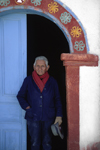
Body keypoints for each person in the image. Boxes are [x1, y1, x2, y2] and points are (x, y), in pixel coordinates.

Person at [17, 56, 63, 150]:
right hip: (33, 117)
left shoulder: (52, 82)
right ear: (34, 67)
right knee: (34, 143)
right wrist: (27, 108)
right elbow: (20, 96)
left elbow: (57, 99)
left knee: (47, 143)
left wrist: (59, 115)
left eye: (42, 66)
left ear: (47, 67)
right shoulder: (28, 80)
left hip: (48, 117)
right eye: (37, 66)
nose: (40, 68)